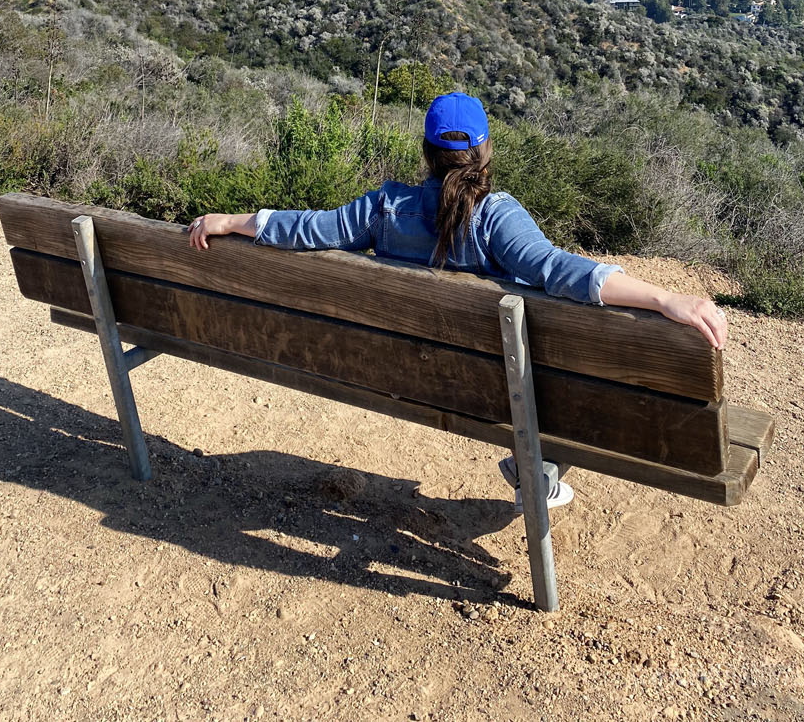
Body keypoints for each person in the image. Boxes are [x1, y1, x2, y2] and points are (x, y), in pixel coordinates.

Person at [187, 91, 728, 510]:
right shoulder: (495, 216)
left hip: (389, 373)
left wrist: (233, 220)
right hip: (495, 395)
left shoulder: (386, 207)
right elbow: (559, 271)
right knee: (576, 381)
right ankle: (535, 472)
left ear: (426, 152)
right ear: (485, 150)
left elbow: (313, 229)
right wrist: (662, 298)